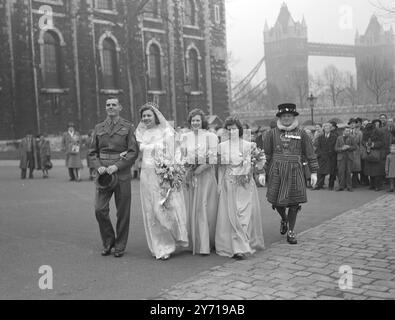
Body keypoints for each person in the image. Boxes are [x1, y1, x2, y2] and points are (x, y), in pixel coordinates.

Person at [136, 102, 189, 261]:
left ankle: (173, 237)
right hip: (146, 175)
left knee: (165, 207)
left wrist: (173, 170)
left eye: (148, 115)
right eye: (143, 116)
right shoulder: (140, 133)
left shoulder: (166, 132)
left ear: (156, 116)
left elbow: (176, 151)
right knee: (151, 210)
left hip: (162, 174)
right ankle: (160, 245)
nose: (146, 118)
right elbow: (138, 153)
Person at [88, 97, 139, 258]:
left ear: (120, 107)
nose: (110, 107)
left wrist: (116, 166)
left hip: (121, 173)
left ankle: (120, 245)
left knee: (123, 212)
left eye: (114, 105)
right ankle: (108, 240)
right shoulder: (98, 127)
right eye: (108, 105)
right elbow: (91, 152)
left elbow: (133, 152)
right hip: (103, 175)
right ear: (106, 108)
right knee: (99, 209)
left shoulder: (128, 127)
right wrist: (99, 167)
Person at [264, 103, 318, 245]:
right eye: (283, 116)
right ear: (279, 117)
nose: (286, 118)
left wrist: (314, 172)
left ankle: (291, 231)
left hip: (295, 171)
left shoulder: (302, 133)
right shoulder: (271, 134)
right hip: (277, 172)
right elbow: (267, 155)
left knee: (294, 203)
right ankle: (284, 218)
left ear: (294, 117)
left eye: (289, 116)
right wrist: (262, 172)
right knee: (277, 203)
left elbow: (310, 153)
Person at [215, 116, 265, 259]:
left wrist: (259, 172)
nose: (232, 131)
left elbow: (259, 162)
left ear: (240, 129)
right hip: (229, 182)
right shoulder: (221, 147)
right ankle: (237, 247)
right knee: (232, 214)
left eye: (234, 128)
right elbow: (221, 168)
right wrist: (219, 184)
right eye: (229, 129)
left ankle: (245, 243)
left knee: (244, 213)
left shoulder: (249, 145)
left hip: (245, 184)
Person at [181, 109, 219, 256]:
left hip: (206, 177)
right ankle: (196, 241)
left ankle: (206, 243)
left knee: (205, 209)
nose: (195, 123)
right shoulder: (185, 137)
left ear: (202, 121)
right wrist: (188, 170)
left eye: (197, 120)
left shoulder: (211, 136)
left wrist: (200, 168)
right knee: (194, 209)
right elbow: (182, 156)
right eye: (192, 120)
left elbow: (214, 158)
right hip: (192, 177)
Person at [362, 123, 386, 191]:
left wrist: (373, 144)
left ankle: (378, 186)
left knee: (377, 172)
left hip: (377, 153)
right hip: (369, 152)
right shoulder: (366, 132)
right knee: (370, 170)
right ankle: (372, 184)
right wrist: (366, 144)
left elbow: (383, 142)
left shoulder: (379, 132)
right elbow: (363, 141)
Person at [314, 123, 338, 191]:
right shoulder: (320, 137)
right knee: (321, 171)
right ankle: (319, 185)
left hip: (331, 156)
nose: (327, 129)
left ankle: (331, 186)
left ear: (330, 129)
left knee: (332, 172)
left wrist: (331, 153)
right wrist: (321, 154)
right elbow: (318, 147)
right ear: (323, 129)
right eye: (325, 128)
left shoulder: (334, 136)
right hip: (322, 156)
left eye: (328, 128)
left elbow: (334, 146)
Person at [335, 128, 357, 192]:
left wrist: (349, 147)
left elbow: (355, 147)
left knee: (348, 172)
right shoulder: (339, 138)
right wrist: (342, 148)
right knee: (341, 172)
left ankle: (349, 186)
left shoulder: (352, 138)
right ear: (343, 131)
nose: (348, 132)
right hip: (341, 157)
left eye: (349, 131)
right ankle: (341, 186)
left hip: (349, 157)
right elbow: (336, 148)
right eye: (346, 131)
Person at [349, 118, 363, 188]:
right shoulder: (346, 132)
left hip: (356, 152)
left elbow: (360, 143)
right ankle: (348, 182)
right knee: (349, 167)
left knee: (356, 168)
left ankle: (355, 183)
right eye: (351, 123)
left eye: (354, 123)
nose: (352, 124)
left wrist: (360, 152)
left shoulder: (359, 132)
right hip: (348, 151)